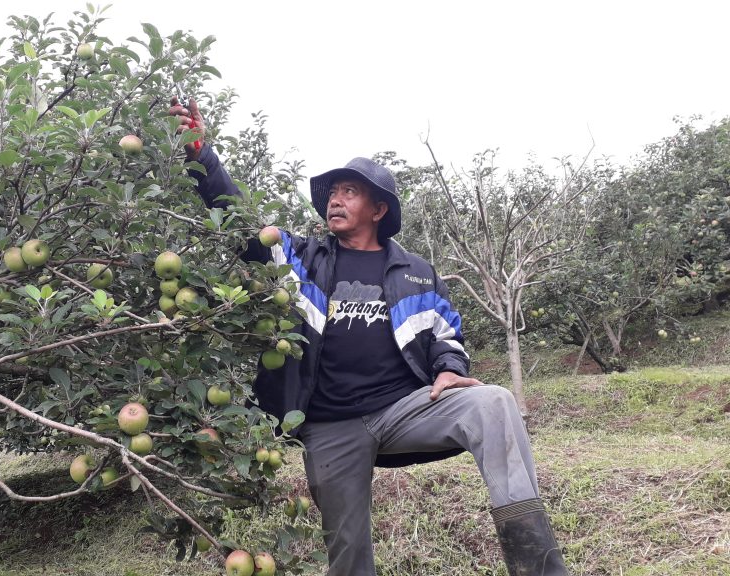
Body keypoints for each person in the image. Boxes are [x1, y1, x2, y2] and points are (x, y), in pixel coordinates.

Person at [169, 98, 570, 576]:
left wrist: (449, 369)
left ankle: (537, 567)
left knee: (494, 403)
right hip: (330, 422)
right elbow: (246, 230)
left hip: (402, 409)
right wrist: (203, 158)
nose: (335, 199)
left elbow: (445, 333)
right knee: (349, 553)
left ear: (379, 208)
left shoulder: (418, 274)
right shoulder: (302, 259)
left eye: (349, 192)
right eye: (333, 192)